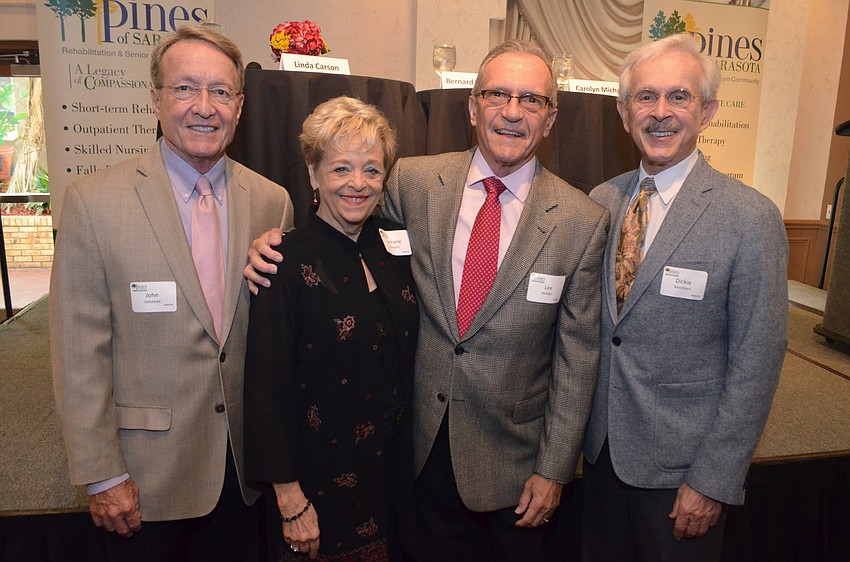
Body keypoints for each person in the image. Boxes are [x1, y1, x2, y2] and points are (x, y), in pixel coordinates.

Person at [245, 40, 609, 561]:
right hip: (411, 458)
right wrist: (272, 240)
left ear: (550, 119)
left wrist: (554, 469)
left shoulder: (582, 220)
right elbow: (341, 215)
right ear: (472, 106)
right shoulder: (413, 181)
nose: (511, 112)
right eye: (497, 94)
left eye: (531, 100)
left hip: (516, 466)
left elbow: (578, 360)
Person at [50, 24, 294, 562]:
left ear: (240, 105)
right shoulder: (93, 202)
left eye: (221, 91)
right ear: (156, 99)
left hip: (243, 476)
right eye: (185, 88)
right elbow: (77, 352)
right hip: (144, 480)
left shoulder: (272, 202)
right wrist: (101, 474)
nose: (204, 107)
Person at [581, 33, 788, 561]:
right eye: (646, 97)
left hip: (682, 477)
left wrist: (714, 480)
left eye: (679, 96)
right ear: (625, 112)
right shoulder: (601, 202)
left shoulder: (749, 218)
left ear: (708, 111)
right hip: (600, 459)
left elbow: (757, 361)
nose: (661, 113)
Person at [243, 96, 419, 562]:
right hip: (314, 490)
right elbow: (266, 386)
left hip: (391, 480)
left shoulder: (395, 252)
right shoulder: (283, 259)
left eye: (372, 169)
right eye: (341, 168)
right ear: (313, 174)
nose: (357, 184)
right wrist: (290, 499)